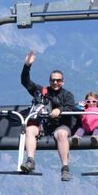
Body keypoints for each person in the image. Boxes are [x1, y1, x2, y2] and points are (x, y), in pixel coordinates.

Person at [19, 51, 76, 181]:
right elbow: (25, 81)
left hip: (60, 125)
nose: (56, 82)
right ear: (49, 81)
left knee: (61, 134)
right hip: (43, 126)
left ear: (63, 82)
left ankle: (65, 168)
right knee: (29, 130)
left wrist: (60, 110)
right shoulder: (41, 91)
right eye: (53, 80)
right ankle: (30, 161)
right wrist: (27, 65)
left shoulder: (67, 95)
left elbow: (71, 107)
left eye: (58, 80)